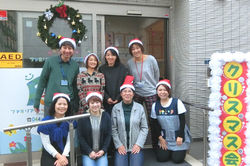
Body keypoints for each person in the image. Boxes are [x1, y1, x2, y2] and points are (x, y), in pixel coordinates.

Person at [127, 38, 160, 148]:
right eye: (133, 49)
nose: (135, 51)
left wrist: (153, 86)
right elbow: (131, 78)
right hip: (137, 93)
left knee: (153, 119)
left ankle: (156, 144)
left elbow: (156, 74)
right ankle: (136, 144)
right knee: (135, 119)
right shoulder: (130, 63)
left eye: (137, 48)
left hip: (151, 92)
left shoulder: (151, 59)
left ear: (141, 48)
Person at [34, 37, 79, 116]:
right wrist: (36, 102)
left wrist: (76, 104)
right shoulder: (50, 61)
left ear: (73, 51)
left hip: (68, 103)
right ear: (60, 49)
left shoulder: (75, 65)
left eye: (70, 48)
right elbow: (42, 82)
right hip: (51, 102)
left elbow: (75, 86)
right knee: (49, 126)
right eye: (64, 48)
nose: (67, 51)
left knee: (68, 127)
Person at [151, 79, 191, 163]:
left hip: (178, 137)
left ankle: (180, 150)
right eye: (160, 90)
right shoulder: (155, 105)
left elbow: (182, 120)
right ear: (157, 92)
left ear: (169, 91)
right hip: (165, 138)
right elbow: (154, 123)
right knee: (161, 158)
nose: (162, 92)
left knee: (177, 160)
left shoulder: (177, 102)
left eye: (165, 90)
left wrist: (180, 136)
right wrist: (160, 138)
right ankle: (170, 151)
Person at [111, 75, 148, 166]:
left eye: (129, 91)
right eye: (124, 91)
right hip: (121, 146)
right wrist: (119, 145)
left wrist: (138, 144)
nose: (127, 93)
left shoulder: (139, 108)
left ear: (133, 94)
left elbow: (144, 128)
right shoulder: (116, 108)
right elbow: (113, 129)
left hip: (135, 146)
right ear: (121, 94)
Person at [37, 93, 73, 166]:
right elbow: (46, 144)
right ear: (54, 105)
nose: (62, 106)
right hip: (50, 153)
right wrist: (59, 157)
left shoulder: (71, 121)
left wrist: (63, 156)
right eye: (59, 104)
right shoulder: (45, 122)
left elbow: (70, 142)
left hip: (65, 153)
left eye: (65, 104)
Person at [77, 91, 111, 166]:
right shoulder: (83, 117)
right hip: (87, 153)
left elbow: (109, 135)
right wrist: (89, 151)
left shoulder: (106, 116)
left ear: (101, 103)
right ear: (88, 104)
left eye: (97, 102)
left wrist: (103, 150)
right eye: (92, 103)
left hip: (101, 152)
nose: (95, 105)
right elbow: (80, 136)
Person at [99, 46, 128, 114]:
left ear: (116, 57)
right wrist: (107, 98)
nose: (110, 57)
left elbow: (125, 84)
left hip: (120, 100)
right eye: (108, 55)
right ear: (105, 57)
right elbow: (100, 85)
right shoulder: (102, 69)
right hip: (106, 101)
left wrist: (118, 97)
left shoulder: (123, 68)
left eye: (113, 55)